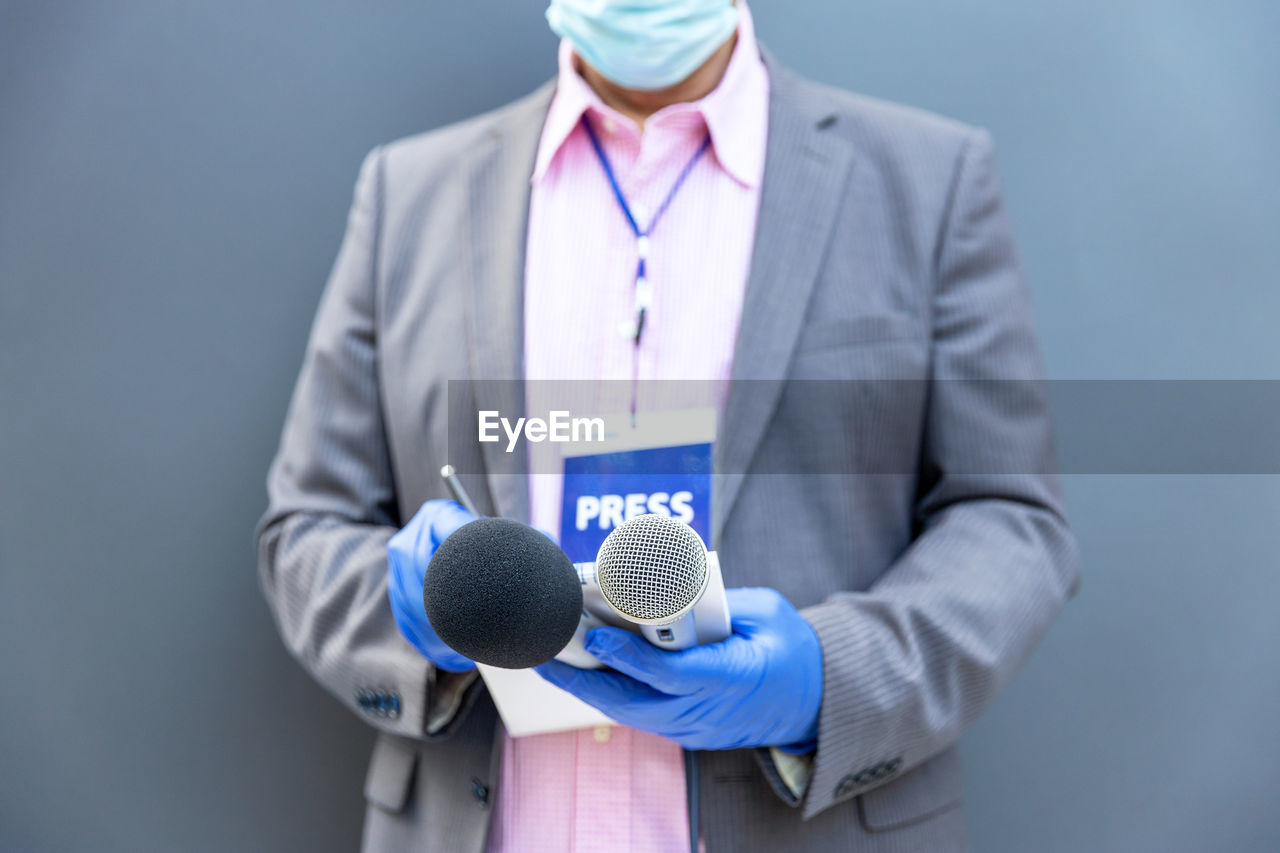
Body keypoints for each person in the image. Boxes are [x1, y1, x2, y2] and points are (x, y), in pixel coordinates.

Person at [256, 1, 1080, 850]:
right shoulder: (410, 192)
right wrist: (423, 615)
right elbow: (306, 526)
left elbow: (1011, 518)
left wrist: (828, 680)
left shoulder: (928, 180)